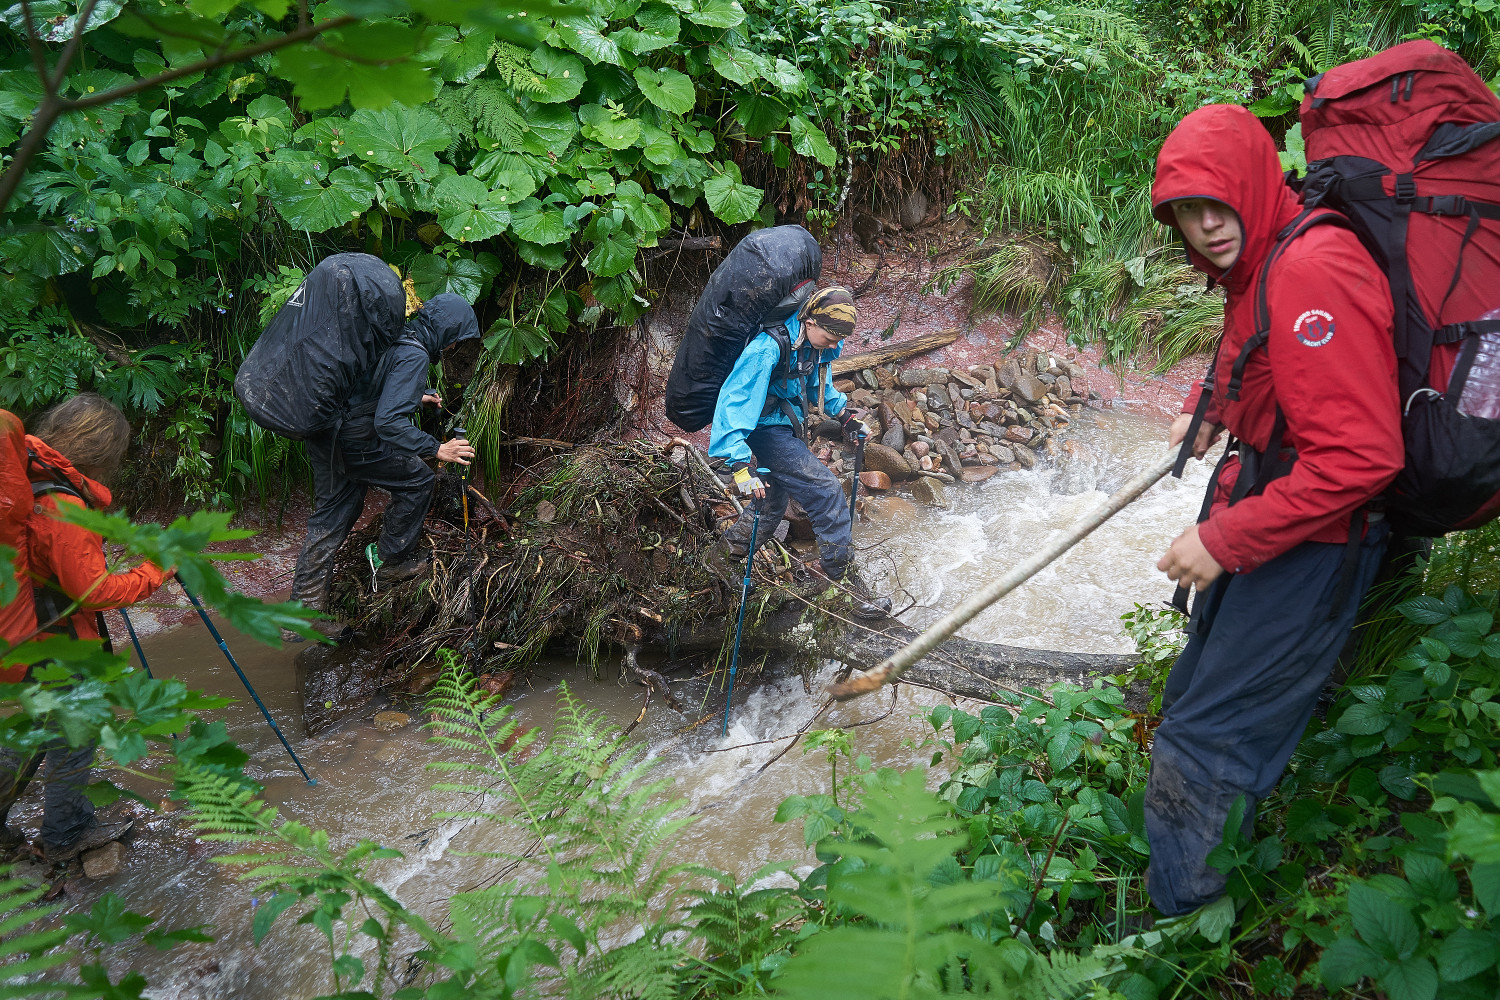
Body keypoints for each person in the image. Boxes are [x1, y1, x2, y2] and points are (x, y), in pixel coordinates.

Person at [1145, 104, 1405, 915]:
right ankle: (1186, 883)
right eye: (1186, 210)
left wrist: (1225, 538)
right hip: (1276, 498)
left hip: (1319, 535)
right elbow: (1255, 342)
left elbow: (1364, 455)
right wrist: (1216, 408)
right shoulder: (1264, 254)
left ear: (1256, 184)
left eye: (1217, 203)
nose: (1204, 226)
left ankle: (1179, 926)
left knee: (1205, 738)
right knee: (1190, 700)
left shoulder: (1313, 268)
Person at [0, 393, 171, 861]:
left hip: (24, 633)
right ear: (103, 451)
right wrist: (156, 571)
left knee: (39, 728)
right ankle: (66, 833)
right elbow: (93, 592)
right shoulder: (64, 506)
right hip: (57, 641)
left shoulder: (29, 474)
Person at [288, 293, 479, 627]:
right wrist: (438, 448)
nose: (452, 349)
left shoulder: (393, 333)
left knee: (330, 519)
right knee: (419, 480)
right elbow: (388, 424)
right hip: (355, 441)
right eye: (455, 341)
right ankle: (392, 561)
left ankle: (300, 614)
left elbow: (368, 383)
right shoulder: (415, 354)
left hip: (325, 433)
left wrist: (411, 395)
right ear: (448, 333)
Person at [710, 285, 891, 619]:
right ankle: (849, 590)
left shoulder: (811, 345)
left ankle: (720, 561)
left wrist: (845, 418)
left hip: (787, 426)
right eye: (832, 337)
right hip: (764, 431)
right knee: (825, 491)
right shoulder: (768, 348)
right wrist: (738, 465)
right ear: (809, 321)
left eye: (840, 340)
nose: (836, 346)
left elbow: (817, 387)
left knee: (772, 504)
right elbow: (732, 403)